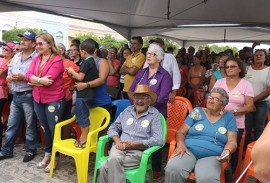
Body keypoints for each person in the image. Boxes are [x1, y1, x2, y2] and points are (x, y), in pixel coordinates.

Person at [165, 87, 238, 183]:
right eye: (210, 97)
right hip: (188, 150)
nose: (211, 101)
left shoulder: (229, 117)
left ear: (223, 105)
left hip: (213, 155)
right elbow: (181, 132)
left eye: (216, 99)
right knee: (173, 169)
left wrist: (227, 151)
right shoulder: (197, 111)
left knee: (207, 178)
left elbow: (232, 141)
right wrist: (180, 144)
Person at [98, 84, 163, 183]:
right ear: (133, 99)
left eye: (143, 98)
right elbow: (113, 127)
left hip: (137, 152)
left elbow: (158, 139)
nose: (139, 101)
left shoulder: (155, 115)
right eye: (137, 97)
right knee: (114, 160)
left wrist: (134, 144)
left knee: (104, 167)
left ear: (149, 100)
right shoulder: (127, 111)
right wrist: (118, 141)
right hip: (119, 147)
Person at [130, 43, 172, 179]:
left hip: (156, 113)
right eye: (148, 53)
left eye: (153, 54)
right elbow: (132, 90)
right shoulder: (142, 72)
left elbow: (163, 97)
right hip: (138, 111)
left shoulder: (165, 75)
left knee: (155, 140)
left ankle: (155, 170)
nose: (149, 56)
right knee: (136, 136)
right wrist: (137, 106)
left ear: (159, 58)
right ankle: (135, 163)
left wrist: (145, 106)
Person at [26, 33, 65, 172]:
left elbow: (50, 80)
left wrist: (34, 80)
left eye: (41, 43)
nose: (38, 46)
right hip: (38, 98)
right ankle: (48, 154)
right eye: (36, 43)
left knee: (53, 129)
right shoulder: (37, 59)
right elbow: (27, 75)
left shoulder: (57, 60)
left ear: (49, 44)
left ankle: (56, 157)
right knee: (45, 128)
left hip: (53, 99)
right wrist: (40, 80)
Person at [0, 30, 38, 162]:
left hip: (29, 95)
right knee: (12, 123)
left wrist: (24, 78)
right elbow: (10, 71)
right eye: (22, 39)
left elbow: (39, 78)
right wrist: (10, 77)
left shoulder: (37, 58)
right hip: (16, 95)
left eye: (26, 39)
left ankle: (31, 150)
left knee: (30, 124)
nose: (22, 41)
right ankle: (7, 150)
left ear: (34, 44)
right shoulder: (16, 56)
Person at [213, 57, 254, 172]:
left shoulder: (246, 84)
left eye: (232, 66)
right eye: (227, 67)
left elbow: (250, 106)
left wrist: (232, 112)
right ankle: (214, 173)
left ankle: (229, 177)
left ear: (240, 69)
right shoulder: (219, 82)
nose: (229, 69)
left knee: (232, 152)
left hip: (236, 124)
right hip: (217, 121)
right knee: (216, 147)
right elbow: (212, 99)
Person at [67, 39, 98, 148]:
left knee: (83, 117)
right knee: (80, 116)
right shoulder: (91, 61)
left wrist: (72, 71)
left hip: (84, 95)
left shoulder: (86, 62)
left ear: (83, 51)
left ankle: (84, 139)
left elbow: (80, 77)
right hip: (87, 94)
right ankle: (82, 138)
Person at [72, 39, 111, 112]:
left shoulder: (102, 61)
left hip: (100, 101)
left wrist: (85, 85)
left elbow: (102, 80)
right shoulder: (85, 62)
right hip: (86, 99)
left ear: (95, 50)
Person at [244, 49, 270, 147]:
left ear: (265, 57)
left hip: (262, 103)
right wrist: (249, 101)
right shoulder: (247, 69)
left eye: (261, 55)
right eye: (256, 55)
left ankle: (257, 150)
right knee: (247, 127)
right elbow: (242, 85)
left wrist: (252, 101)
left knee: (259, 127)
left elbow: (268, 90)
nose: (258, 57)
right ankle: (245, 149)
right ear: (253, 57)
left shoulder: (268, 70)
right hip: (247, 102)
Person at [143, 38, 180, 103]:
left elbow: (176, 75)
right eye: (152, 46)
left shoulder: (170, 57)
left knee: (161, 108)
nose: (154, 47)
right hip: (150, 90)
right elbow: (144, 74)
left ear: (162, 46)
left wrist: (174, 92)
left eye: (156, 45)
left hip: (165, 90)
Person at [57, 43, 79, 140]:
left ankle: (64, 143)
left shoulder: (69, 64)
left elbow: (80, 76)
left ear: (61, 51)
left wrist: (73, 85)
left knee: (64, 120)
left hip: (66, 97)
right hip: (51, 98)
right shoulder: (50, 62)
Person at [0, 42, 14, 148]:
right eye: (3, 48)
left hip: (4, 92)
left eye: (6, 49)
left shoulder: (5, 62)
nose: (3, 50)